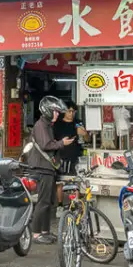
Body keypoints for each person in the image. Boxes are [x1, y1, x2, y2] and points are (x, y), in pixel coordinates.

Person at [29, 96, 75, 244]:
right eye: (55, 112)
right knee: (43, 202)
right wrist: (62, 143)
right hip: (42, 168)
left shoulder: (47, 125)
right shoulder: (41, 125)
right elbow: (46, 145)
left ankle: (45, 231)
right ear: (47, 111)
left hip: (48, 168)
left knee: (49, 202)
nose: (57, 114)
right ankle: (36, 234)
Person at [54, 100, 86, 217]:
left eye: (74, 111)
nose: (71, 113)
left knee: (76, 180)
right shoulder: (58, 124)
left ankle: (76, 204)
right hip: (61, 156)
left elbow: (86, 139)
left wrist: (84, 134)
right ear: (64, 112)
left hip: (76, 156)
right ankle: (60, 205)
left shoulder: (78, 123)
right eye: (69, 111)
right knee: (60, 181)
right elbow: (53, 141)